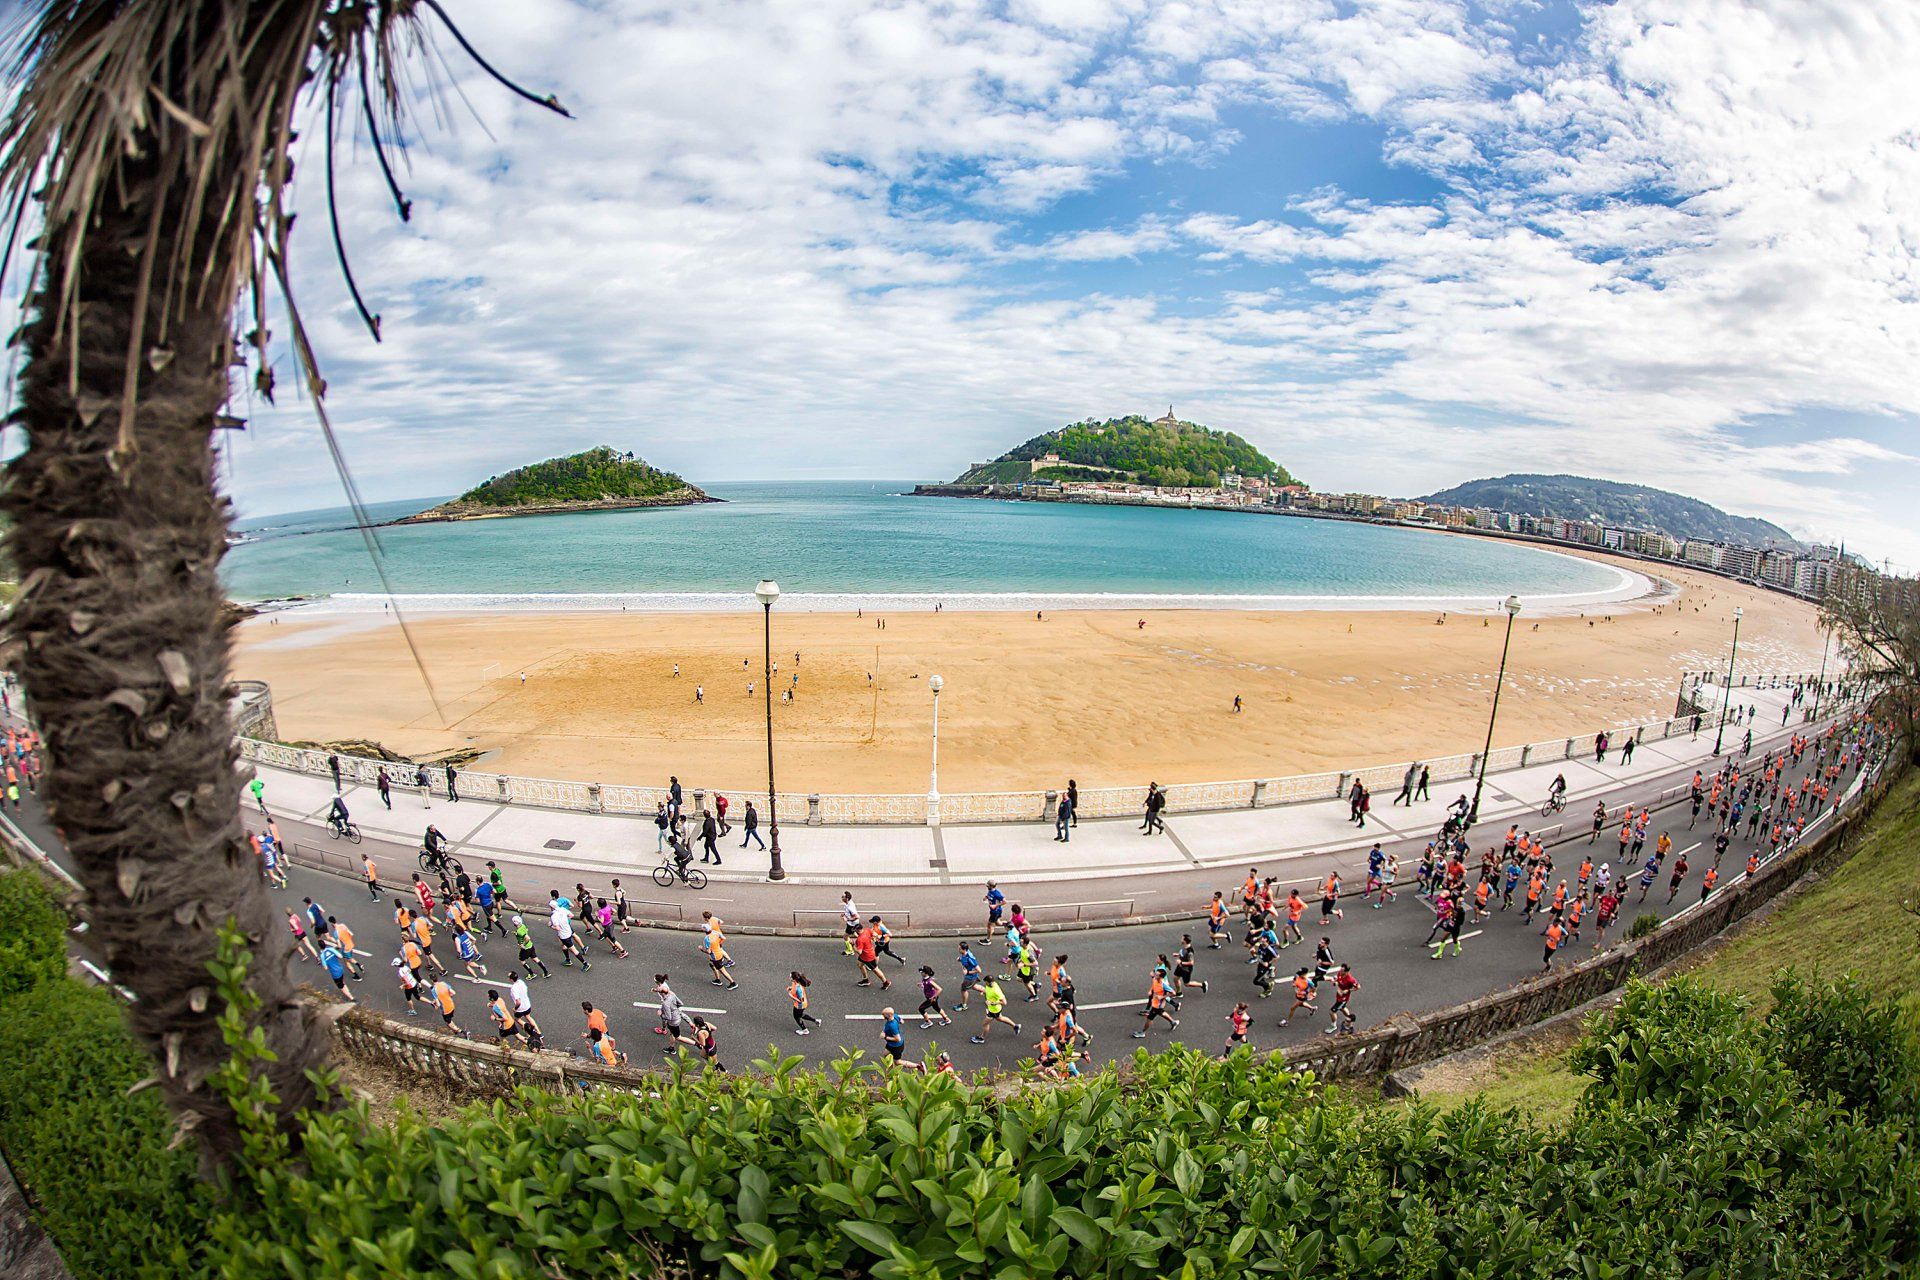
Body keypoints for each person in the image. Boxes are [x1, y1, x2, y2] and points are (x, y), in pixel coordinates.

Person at [1132, 966, 1179, 1038]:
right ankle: (1173, 1022)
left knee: (1149, 1018)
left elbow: (1173, 993)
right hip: (1155, 1002)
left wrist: (1162, 997)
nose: (1155, 975)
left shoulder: (1164, 984)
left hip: (1158, 1005)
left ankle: (1143, 1032)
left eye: (1157, 975)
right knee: (1161, 1013)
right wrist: (1151, 991)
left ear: (1160, 977)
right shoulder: (1154, 979)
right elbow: (1153, 986)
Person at [970, 977, 1020, 1043]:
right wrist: (984, 992)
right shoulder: (991, 984)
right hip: (993, 1009)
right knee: (1000, 1018)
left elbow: (1004, 1002)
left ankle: (982, 1038)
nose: (985, 984)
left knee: (985, 1024)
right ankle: (1015, 1026)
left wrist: (993, 1003)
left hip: (994, 1010)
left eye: (986, 982)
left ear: (989, 982)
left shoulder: (996, 991)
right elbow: (988, 991)